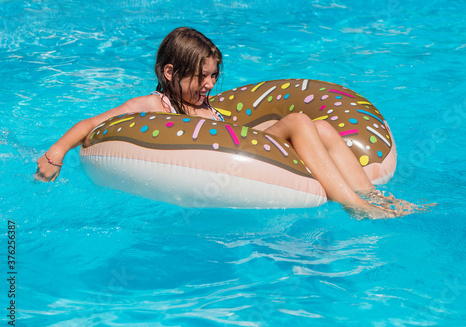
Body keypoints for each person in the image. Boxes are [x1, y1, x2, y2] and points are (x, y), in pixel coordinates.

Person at [36, 27, 414, 219]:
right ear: (170, 72)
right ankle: (352, 204)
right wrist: (56, 153)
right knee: (299, 120)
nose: (209, 85)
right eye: (201, 77)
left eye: (214, 76)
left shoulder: (209, 103)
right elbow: (93, 123)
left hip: (254, 145)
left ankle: (376, 198)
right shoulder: (154, 103)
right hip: (239, 151)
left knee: (325, 128)